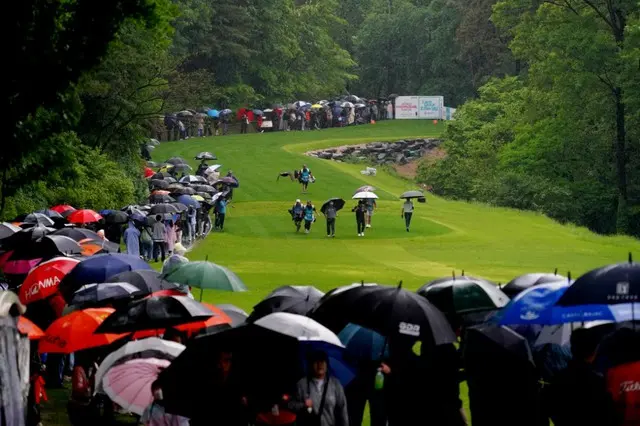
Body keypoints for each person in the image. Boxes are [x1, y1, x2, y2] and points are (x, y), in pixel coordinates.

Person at [547, 327, 617, 426]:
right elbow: (608, 414)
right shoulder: (598, 382)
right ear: (594, 352)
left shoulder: (557, 379)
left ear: (571, 349)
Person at [291, 350, 349, 426]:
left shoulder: (335, 384)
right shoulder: (302, 384)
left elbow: (343, 409)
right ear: (311, 364)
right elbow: (291, 405)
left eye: (322, 361)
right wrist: (303, 405)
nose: (320, 364)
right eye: (316, 361)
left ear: (327, 364)